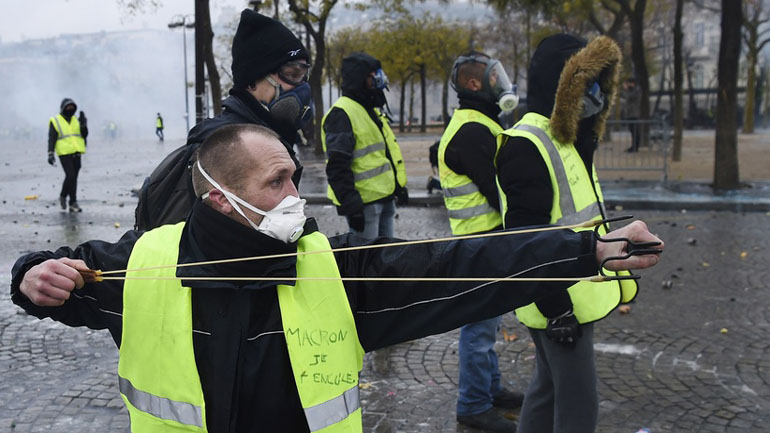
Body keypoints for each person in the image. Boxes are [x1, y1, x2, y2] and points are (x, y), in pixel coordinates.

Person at [11, 123, 662, 433]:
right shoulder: (141, 266)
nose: (299, 193)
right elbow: (55, 278)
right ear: (220, 200)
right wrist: (30, 277)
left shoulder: (334, 271)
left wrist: (585, 250)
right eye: (278, 182)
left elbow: (455, 266)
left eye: (295, 175)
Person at [495, 34, 635, 433]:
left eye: (598, 83)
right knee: (577, 403)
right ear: (564, 85)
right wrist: (556, 308)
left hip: (570, 293)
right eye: (586, 82)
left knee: (547, 389)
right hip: (560, 299)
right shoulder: (529, 143)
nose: (595, 93)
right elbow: (526, 237)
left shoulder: (566, 137)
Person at [134, 9, 313, 230]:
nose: (302, 87)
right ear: (253, 82)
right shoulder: (218, 146)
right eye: (292, 74)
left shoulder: (272, 138)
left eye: (304, 75)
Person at [438, 51, 522, 432]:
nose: (499, 82)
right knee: (478, 328)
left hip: (483, 242)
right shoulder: (473, 131)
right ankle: (473, 404)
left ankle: (490, 389)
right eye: (492, 76)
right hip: (480, 245)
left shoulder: (476, 124)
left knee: (486, 325)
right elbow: (499, 190)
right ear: (474, 85)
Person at [322, 52, 408, 238]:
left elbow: (385, 153)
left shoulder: (369, 109)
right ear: (360, 78)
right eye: (373, 75)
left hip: (384, 198)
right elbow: (337, 166)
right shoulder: (342, 113)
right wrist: (352, 206)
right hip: (364, 204)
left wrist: (398, 187)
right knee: (366, 262)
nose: (379, 79)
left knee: (386, 259)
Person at [48, 98, 88, 213]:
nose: (70, 109)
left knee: (74, 178)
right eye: (68, 107)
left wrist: (84, 125)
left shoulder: (77, 120)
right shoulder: (55, 120)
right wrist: (50, 153)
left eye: (72, 107)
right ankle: (63, 196)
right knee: (70, 176)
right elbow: (52, 138)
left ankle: (72, 203)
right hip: (64, 152)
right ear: (63, 108)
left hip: (77, 151)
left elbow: (84, 135)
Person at [621, 77, 641, 152]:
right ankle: (633, 146)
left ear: (632, 83)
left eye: (628, 83)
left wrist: (625, 89)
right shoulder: (633, 90)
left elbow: (628, 97)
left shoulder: (636, 90)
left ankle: (635, 147)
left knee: (635, 131)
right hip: (630, 114)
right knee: (632, 131)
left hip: (634, 114)